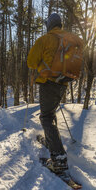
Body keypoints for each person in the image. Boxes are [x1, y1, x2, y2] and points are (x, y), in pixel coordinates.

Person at [27, 13, 70, 173]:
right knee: (50, 114)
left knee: (46, 118)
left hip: (49, 82)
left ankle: (59, 160)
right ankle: (53, 142)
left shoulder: (45, 39)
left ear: (49, 25)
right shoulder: (69, 39)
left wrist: (39, 64)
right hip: (63, 83)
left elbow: (31, 62)